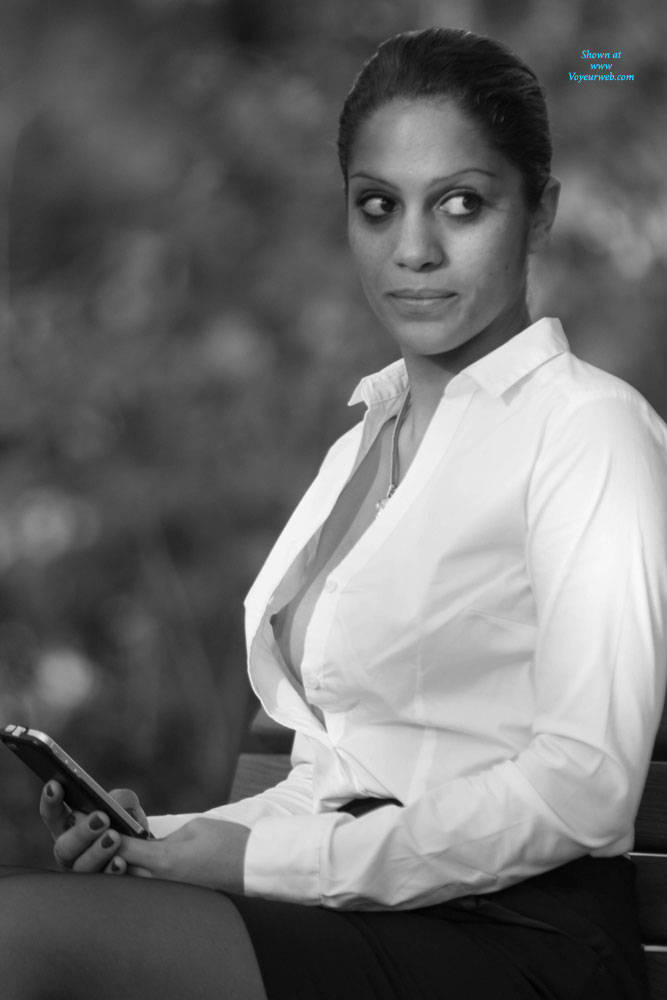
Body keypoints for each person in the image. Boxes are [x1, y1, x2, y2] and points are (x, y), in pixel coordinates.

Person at [1, 26, 666, 1000]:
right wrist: (166, 842)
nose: (414, 250)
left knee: (22, 939)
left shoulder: (589, 431)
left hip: (514, 941)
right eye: (377, 205)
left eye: (462, 204)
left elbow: (584, 789)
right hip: (352, 919)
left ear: (539, 213)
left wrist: (259, 864)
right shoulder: (361, 445)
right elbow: (338, 780)